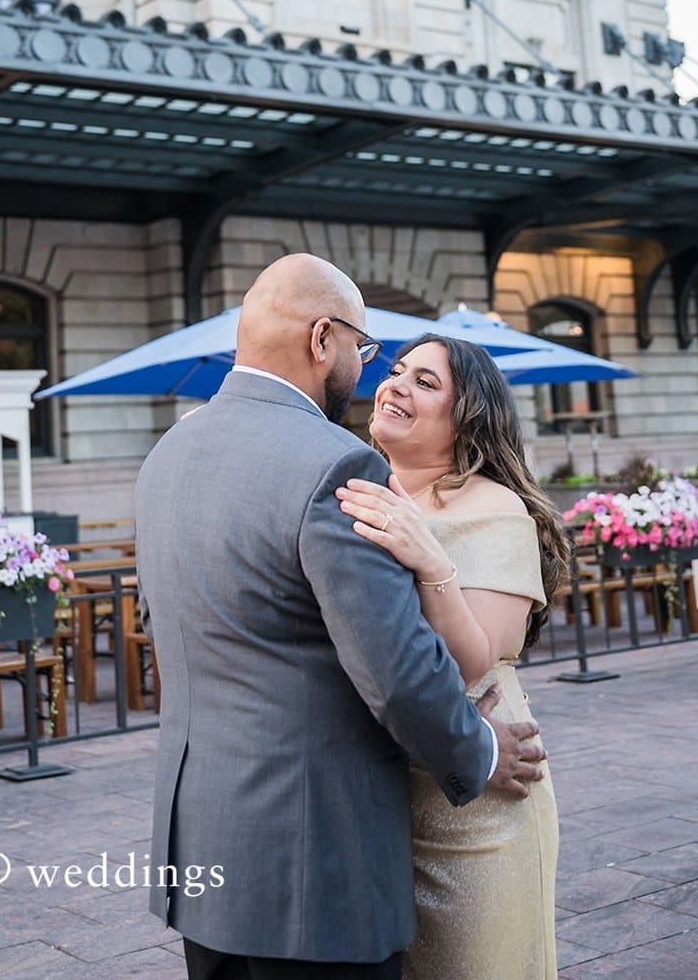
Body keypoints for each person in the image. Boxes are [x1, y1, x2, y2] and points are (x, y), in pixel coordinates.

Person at [135, 254, 547, 980]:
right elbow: (393, 672)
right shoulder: (337, 464)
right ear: (323, 337)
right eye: (364, 348)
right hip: (315, 863)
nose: (368, 369)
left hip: (202, 848)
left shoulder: (168, 454)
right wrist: (480, 750)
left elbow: (166, 632)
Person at [336, 334, 566, 980]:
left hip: (478, 807)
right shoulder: (358, 489)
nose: (395, 385)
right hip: (379, 800)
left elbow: (469, 664)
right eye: (396, 371)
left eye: (426, 382)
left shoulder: (496, 509)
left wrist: (430, 558)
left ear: (468, 417)